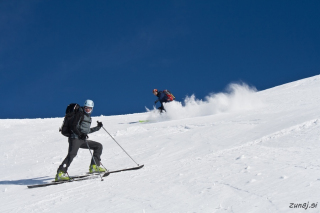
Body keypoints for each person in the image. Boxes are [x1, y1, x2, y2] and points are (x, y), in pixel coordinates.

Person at [55, 99, 106, 181]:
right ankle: (61, 172)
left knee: (98, 146)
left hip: (81, 139)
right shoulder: (80, 114)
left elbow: (86, 131)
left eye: (89, 108)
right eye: (86, 108)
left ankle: (94, 166)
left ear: (92, 109)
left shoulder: (88, 117)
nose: (88, 109)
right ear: (84, 107)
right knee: (72, 154)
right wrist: (80, 134)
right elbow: (73, 126)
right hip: (74, 138)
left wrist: (98, 127)